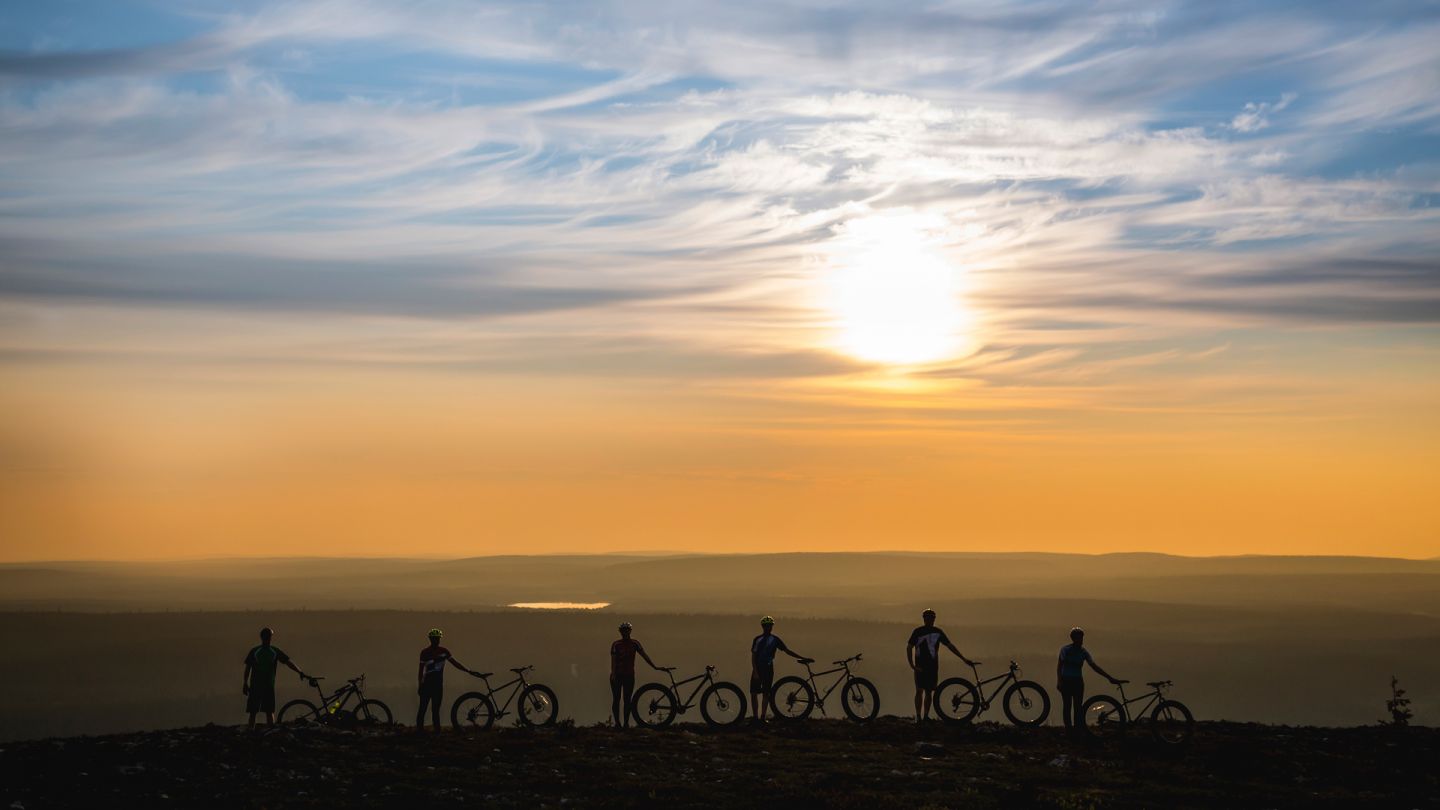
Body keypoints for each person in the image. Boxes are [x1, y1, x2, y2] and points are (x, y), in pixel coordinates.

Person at [906, 608, 976, 723]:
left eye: (931, 618)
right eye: (928, 618)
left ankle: (925, 716)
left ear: (934, 619)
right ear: (924, 619)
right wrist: (912, 665)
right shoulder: (918, 631)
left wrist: (963, 658)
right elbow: (909, 647)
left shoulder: (937, 632)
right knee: (919, 690)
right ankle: (919, 716)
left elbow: (950, 646)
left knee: (928, 691)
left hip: (932, 667)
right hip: (921, 666)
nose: (929, 620)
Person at [1056, 626, 1120, 734]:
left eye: (1081, 638)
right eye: (1078, 638)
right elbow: (1059, 666)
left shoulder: (1083, 652)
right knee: (1067, 705)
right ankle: (1069, 729)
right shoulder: (1065, 650)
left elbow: (1094, 666)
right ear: (1073, 638)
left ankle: (1077, 729)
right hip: (1066, 681)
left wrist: (1109, 678)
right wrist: (1059, 681)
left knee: (1078, 707)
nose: (1080, 640)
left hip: (1078, 682)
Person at [242, 627, 308, 729]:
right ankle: (270, 731)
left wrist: (245, 683)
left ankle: (252, 732)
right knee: (267, 711)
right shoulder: (273, 651)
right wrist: (299, 672)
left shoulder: (255, 651)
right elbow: (288, 663)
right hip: (267, 685)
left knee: (254, 711)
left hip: (257, 685)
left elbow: (248, 668)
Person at [417, 628, 480, 732]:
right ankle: (421, 731)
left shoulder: (443, 651)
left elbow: (455, 663)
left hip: (437, 685)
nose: (436, 640)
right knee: (423, 709)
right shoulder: (425, 652)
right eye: (434, 639)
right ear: (430, 639)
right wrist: (420, 684)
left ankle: (436, 731)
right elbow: (420, 670)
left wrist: (468, 670)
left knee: (435, 709)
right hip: (428, 684)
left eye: (437, 639)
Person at [750, 616, 807, 722]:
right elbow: (753, 657)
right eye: (766, 626)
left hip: (768, 668)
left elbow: (787, 651)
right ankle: (755, 717)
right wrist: (755, 671)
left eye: (770, 626)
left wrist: (802, 657)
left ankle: (762, 717)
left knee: (766, 693)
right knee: (754, 693)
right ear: (763, 627)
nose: (768, 628)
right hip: (758, 668)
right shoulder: (757, 639)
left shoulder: (775, 640)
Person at [609, 621, 664, 728]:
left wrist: (654, 666)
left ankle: (625, 723)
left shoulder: (635, 643)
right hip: (618, 675)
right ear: (621, 632)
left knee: (627, 699)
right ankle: (617, 723)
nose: (625, 633)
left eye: (627, 631)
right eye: (623, 631)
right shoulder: (616, 644)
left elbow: (644, 656)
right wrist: (613, 674)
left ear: (630, 631)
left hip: (629, 675)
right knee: (616, 699)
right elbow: (613, 661)